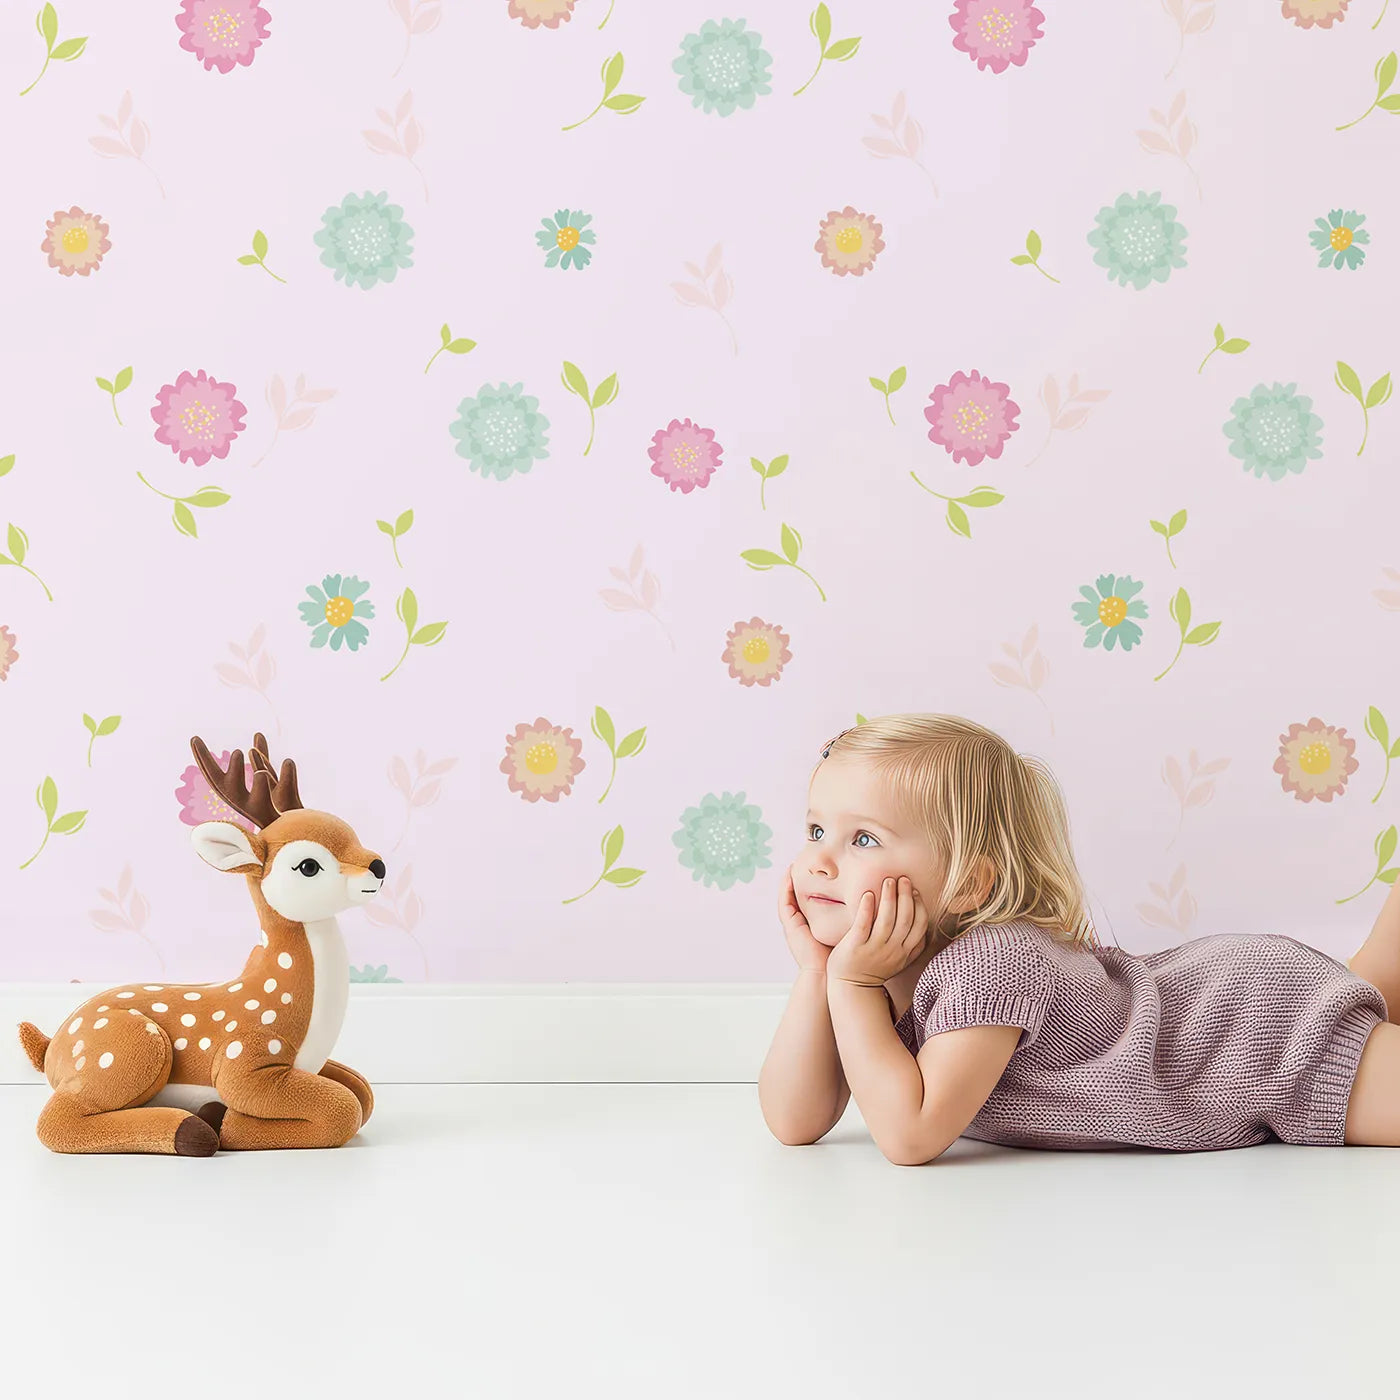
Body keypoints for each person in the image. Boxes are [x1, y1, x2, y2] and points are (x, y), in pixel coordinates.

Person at [757, 713, 1400, 1164]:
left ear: (967, 885)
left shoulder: (990, 962)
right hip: (1216, 1005)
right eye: (815, 831)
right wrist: (819, 973)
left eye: (862, 839)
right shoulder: (870, 975)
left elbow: (911, 1135)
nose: (819, 861)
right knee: (1369, 987)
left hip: (1252, 1038)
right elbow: (795, 1121)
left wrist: (847, 981)